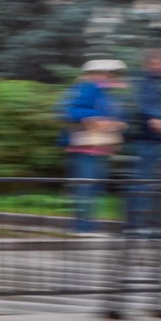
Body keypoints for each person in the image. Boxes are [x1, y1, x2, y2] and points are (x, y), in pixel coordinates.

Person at [59, 58, 130, 235]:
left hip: (100, 148)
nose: (110, 77)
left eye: (111, 74)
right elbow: (70, 111)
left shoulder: (104, 93)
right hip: (84, 148)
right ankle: (82, 228)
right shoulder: (85, 88)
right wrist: (99, 118)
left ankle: (88, 226)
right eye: (107, 73)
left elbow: (116, 115)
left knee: (93, 188)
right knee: (85, 188)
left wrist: (118, 123)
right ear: (96, 74)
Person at [124, 48, 161, 235]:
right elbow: (146, 109)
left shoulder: (159, 84)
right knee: (144, 182)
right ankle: (138, 225)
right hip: (147, 141)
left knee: (153, 183)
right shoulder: (147, 83)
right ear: (150, 63)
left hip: (157, 141)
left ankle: (148, 224)